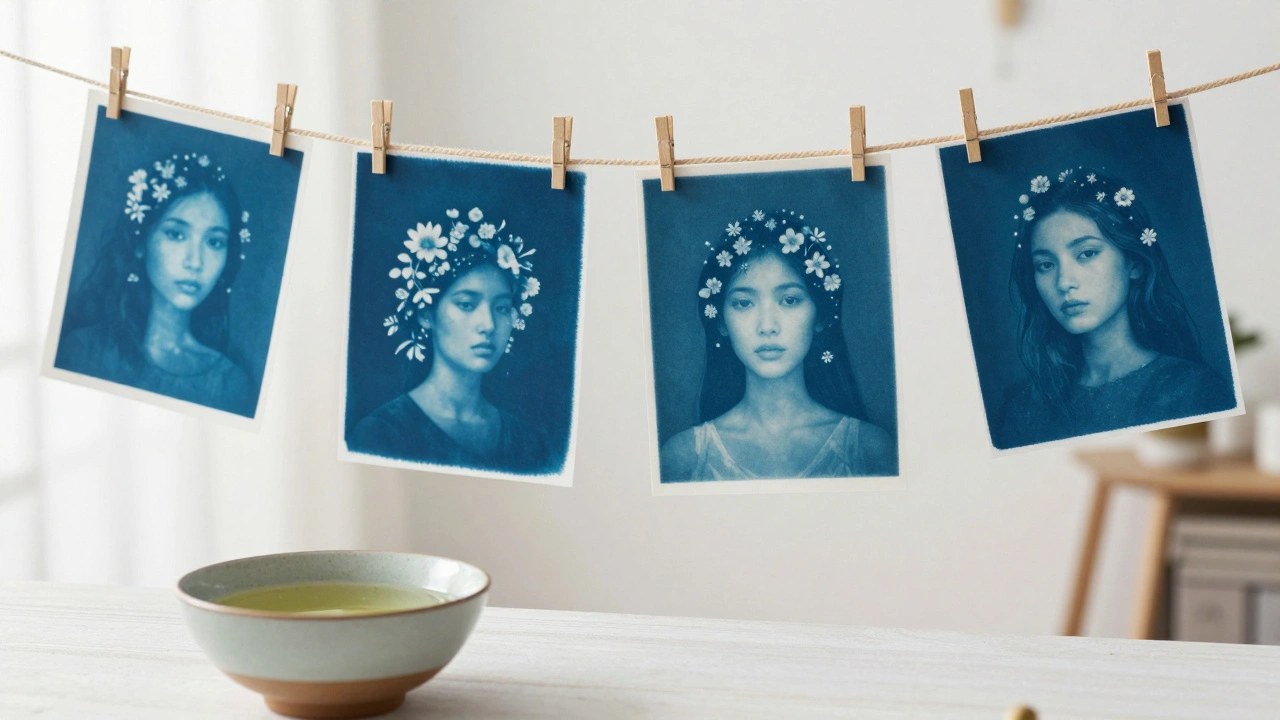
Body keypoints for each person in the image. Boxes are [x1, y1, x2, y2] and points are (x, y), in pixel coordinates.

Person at [995, 168, 1235, 448]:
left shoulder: (1190, 390)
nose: (1064, 282)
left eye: (1087, 253)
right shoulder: (1025, 407)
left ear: (1133, 262)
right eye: (1046, 265)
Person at [660, 209, 896, 482]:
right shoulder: (685, 458)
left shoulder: (869, 450)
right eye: (744, 303)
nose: (767, 326)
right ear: (721, 320)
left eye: (790, 300)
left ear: (819, 314)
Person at [348, 206, 550, 472]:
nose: (488, 325)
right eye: (466, 304)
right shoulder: (381, 434)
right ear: (426, 315)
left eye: (501, 308)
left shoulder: (528, 442)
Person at [55, 152, 256, 417]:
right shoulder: (82, 350)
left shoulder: (231, 386)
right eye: (176, 234)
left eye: (214, 242)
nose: (195, 262)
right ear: (141, 241)